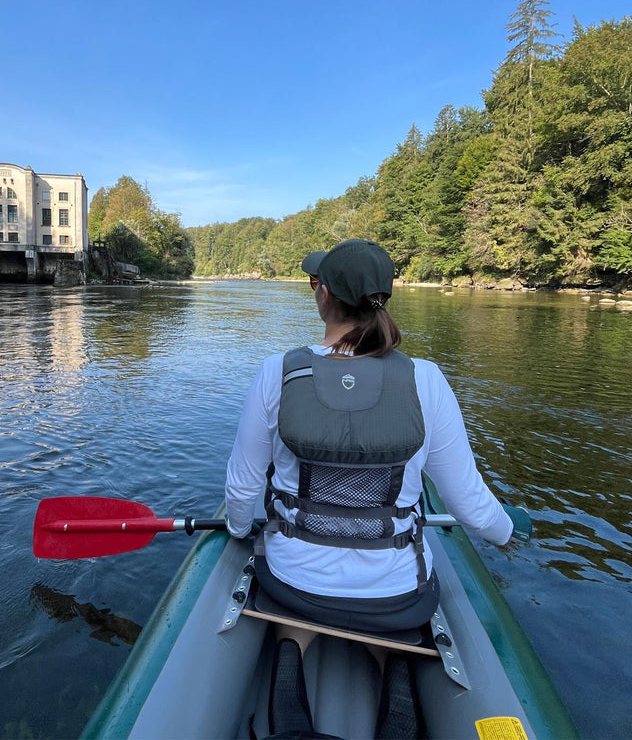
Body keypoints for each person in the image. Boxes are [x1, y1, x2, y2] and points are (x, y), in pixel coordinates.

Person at [224, 239, 529, 635]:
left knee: (293, 619)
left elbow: (243, 485)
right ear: (382, 298)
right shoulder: (426, 379)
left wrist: (237, 529)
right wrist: (509, 530)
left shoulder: (276, 372)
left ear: (324, 294)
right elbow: (468, 504)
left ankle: (291, 649)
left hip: (291, 581)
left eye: (314, 281)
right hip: (398, 594)